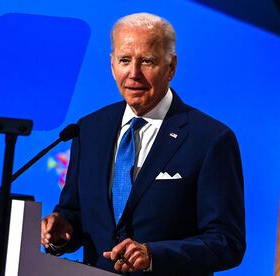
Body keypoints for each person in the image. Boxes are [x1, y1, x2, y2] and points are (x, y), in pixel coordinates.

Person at [41, 12, 245, 275]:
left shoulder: (211, 139)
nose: (134, 74)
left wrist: (153, 256)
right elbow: (75, 214)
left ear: (171, 66)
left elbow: (227, 242)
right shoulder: (89, 129)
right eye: (124, 60)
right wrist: (61, 231)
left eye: (147, 61)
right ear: (112, 65)